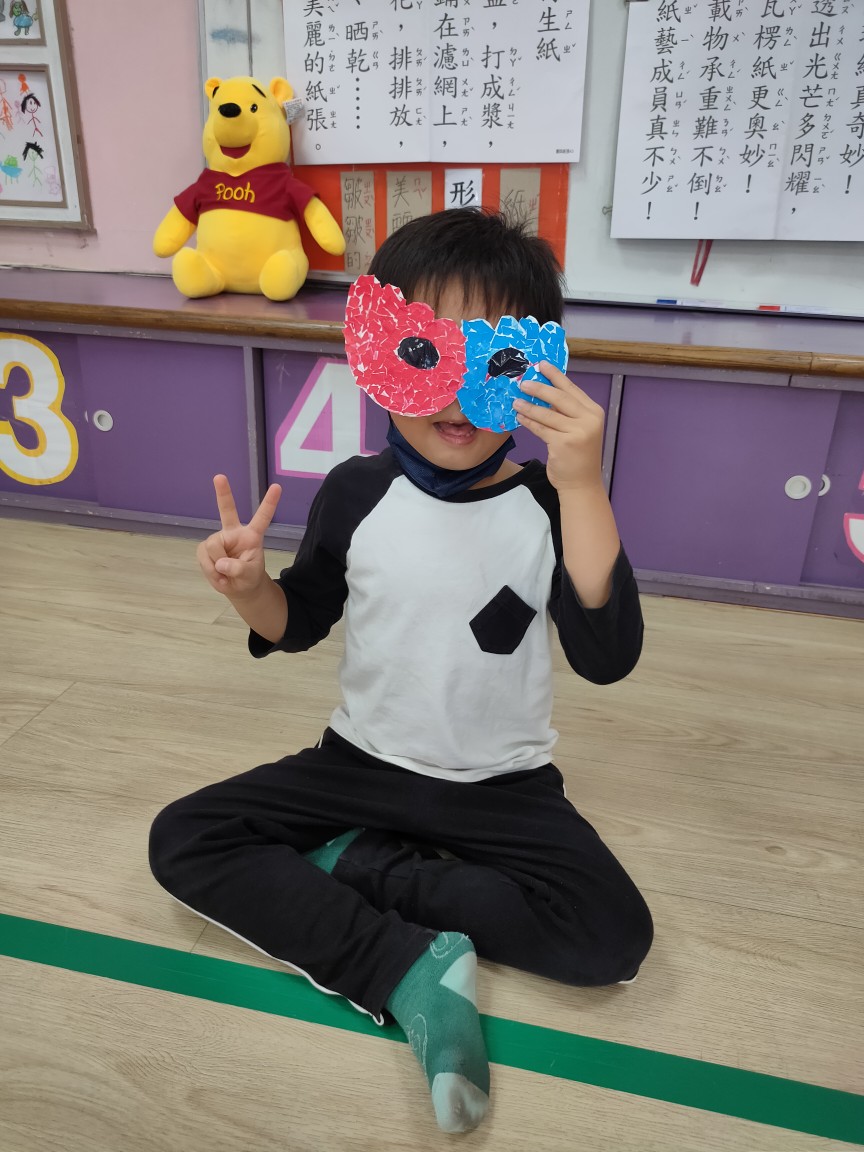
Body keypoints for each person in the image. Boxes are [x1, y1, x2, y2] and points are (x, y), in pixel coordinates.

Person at [149, 208, 653, 1134]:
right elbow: (300, 622)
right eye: (425, 354)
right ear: (376, 352)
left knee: (612, 938)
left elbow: (607, 656)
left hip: (504, 784)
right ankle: (403, 964)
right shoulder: (356, 491)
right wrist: (252, 591)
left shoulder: (551, 505)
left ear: (538, 367)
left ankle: (363, 864)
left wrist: (583, 483)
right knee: (184, 836)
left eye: (493, 359)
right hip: (360, 762)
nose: (454, 395)